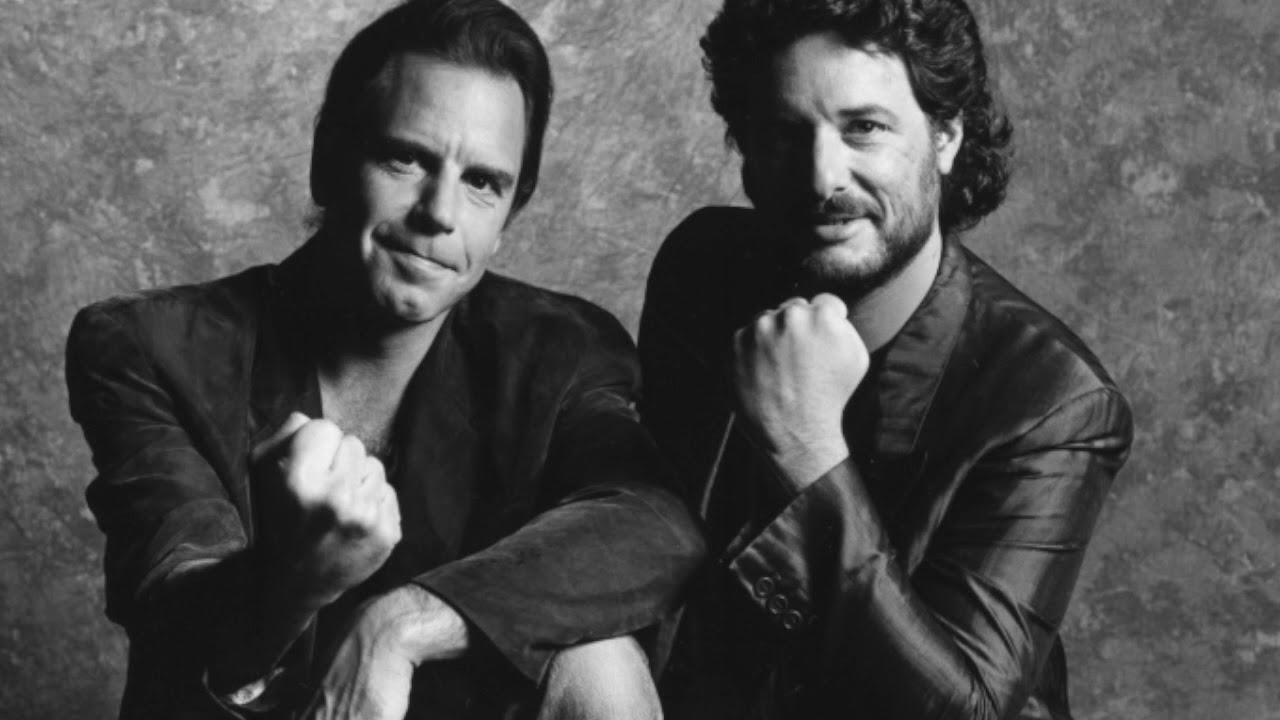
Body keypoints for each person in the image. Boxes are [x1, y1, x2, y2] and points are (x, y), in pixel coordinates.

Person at [65, 1, 704, 718]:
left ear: (508, 216)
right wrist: (293, 579)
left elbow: (653, 524)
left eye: (482, 182)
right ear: (327, 162)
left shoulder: (561, 351)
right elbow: (173, 618)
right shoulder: (153, 346)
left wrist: (403, 625)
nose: (440, 213)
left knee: (600, 659)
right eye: (406, 158)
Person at [638, 0, 1134, 717]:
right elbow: (656, 545)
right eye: (784, 132)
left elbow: (965, 710)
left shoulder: (1052, 399)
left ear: (946, 136)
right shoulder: (703, 266)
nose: (822, 178)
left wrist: (808, 451)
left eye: (863, 128)